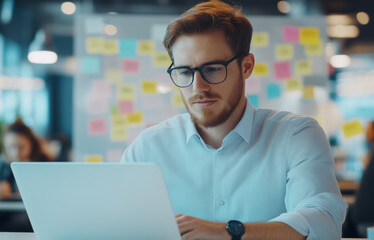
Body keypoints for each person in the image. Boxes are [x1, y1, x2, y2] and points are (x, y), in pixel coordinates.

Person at [121, 1, 346, 239]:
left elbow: (323, 221)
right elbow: (116, 223)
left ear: (246, 66)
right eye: (185, 72)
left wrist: (228, 232)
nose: (198, 87)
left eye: (213, 69)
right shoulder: (149, 147)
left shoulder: (296, 135)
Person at [0, 119, 51, 199]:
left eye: (21, 147)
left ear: (31, 145)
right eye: (11, 147)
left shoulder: (43, 164)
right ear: (5, 146)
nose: (16, 153)